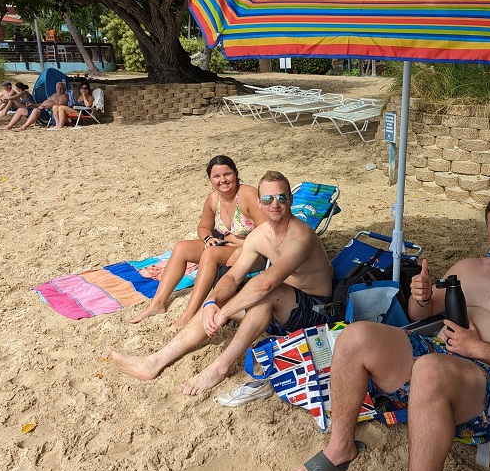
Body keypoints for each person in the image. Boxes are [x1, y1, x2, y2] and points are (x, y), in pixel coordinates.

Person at [293, 194, 490, 471]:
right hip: (437, 352)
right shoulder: (469, 268)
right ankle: (341, 447)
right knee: (355, 336)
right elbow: (423, 314)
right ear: (488, 231)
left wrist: (477, 348)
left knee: (430, 369)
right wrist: (421, 297)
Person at [109, 170, 333, 397]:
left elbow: (266, 283)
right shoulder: (259, 236)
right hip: (279, 311)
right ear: (260, 202)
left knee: (268, 291)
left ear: (290, 200)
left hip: (314, 311)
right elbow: (232, 277)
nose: (275, 204)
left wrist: (224, 312)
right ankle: (154, 361)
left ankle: (219, 368)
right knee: (217, 298)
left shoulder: (301, 237)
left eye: (282, 197)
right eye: (268, 199)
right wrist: (213, 303)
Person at [130, 155, 267, 329]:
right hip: (228, 247)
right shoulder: (213, 199)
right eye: (216, 176)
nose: (223, 180)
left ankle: (189, 314)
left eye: (227, 174)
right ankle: (158, 303)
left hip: (255, 253)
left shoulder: (248, 194)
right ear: (210, 179)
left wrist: (241, 247)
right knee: (181, 248)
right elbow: (203, 227)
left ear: (235, 173)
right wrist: (208, 238)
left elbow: (266, 231)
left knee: (210, 254)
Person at [4, 81, 68, 131]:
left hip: (48, 111)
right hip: (40, 108)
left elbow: (59, 106)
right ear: (56, 88)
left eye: (61, 88)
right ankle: (9, 126)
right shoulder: (53, 95)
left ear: (64, 89)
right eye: (58, 87)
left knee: (36, 110)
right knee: (20, 110)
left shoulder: (64, 96)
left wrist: (45, 107)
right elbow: (42, 104)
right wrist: (33, 105)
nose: (59, 89)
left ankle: (24, 126)